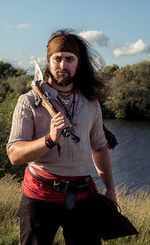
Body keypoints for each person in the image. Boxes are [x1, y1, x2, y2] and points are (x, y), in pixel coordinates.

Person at [7, 29, 117, 245]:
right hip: (39, 196)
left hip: (83, 197)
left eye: (70, 59)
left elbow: (99, 147)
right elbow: (15, 155)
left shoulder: (90, 103)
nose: (63, 65)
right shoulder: (28, 101)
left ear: (78, 64)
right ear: (48, 61)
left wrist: (111, 190)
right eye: (57, 59)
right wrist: (50, 139)